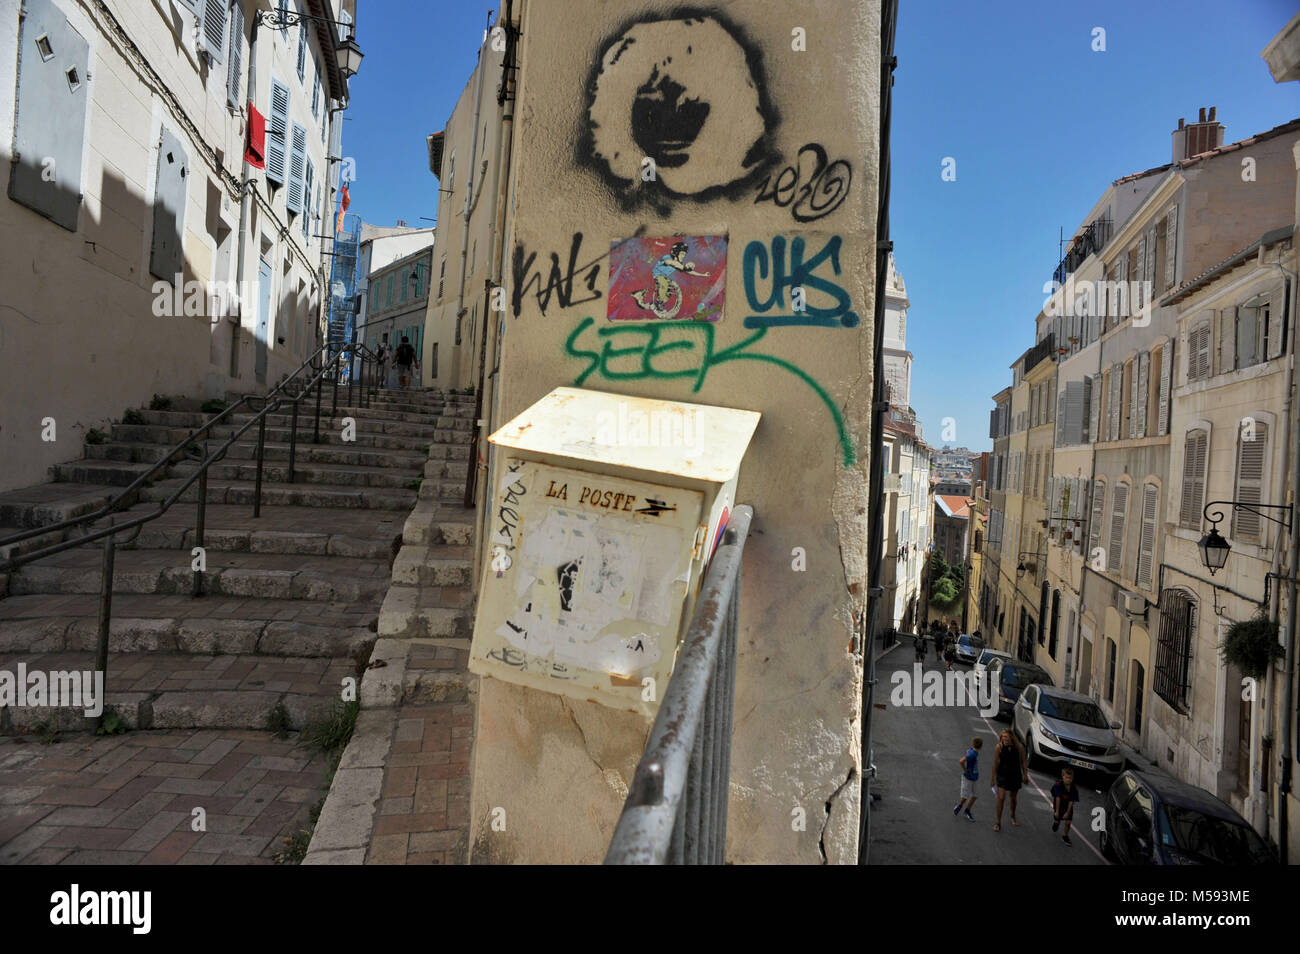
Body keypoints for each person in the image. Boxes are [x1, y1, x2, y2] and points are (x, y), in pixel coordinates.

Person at [991, 728, 1029, 832]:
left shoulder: (1019, 747)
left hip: (1015, 775)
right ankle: (998, 822)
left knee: (1013, 798)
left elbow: (1024, 762)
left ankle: (1012, 815)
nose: (1004, 739)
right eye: (1003, 737)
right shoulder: (999, 747)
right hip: (1002, 775)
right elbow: (995, 763)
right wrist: (992, 778)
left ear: (1011, 737)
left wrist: (1025, 775)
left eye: (1006, 737)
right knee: (1001, 798)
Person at [953, 737, 982, 822]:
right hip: (968, 777)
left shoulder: (974, 752)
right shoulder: (972, 754)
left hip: (975, 777)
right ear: (981, 747)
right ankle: (959, 806)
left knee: (975, 795)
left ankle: (967, 811)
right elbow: (961, 761)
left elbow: (968, 751)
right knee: (965, 795)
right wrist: (965, 770)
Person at [1051, 766, 1081, 846]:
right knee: (1058, 819)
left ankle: (1065, 836)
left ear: (1072, 778)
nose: (1068, 779)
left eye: (1070, 778)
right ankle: (1056, 822)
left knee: (1068, 822)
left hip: (1068, 806)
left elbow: (1072, 801)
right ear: (1063, 776)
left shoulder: (1073, 788)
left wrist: (1067, 812)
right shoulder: (1058, 785)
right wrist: (1057, 811)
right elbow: (1057, 797)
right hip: (1059, 805)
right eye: (1066, 777)